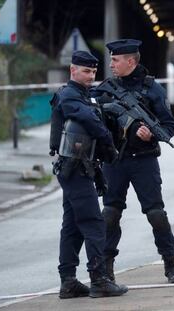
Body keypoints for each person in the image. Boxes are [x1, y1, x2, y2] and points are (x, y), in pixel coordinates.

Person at [92, 39, 174, 284]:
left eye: (115, 60)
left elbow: (170, 126)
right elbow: (91, 115)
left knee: (156, 213)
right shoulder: (105, 88)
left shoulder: (152, 89)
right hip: (114, 160)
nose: (111, 64)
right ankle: (106, 268)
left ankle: (170, 263)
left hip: (144, 160)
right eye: (111, 59)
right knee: (110, 214)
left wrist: (152, 134)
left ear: (131, 61)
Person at [50, 51, 128, 299]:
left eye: (94, 72)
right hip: (75, 168)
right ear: (73, 71)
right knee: (94, 223)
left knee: (72, 225)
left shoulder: (85, 95)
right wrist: (107, 139)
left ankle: (69, 281)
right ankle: (99, 279)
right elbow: (85, 117)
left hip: (82, 167)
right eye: (86, 71)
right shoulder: (69, 95)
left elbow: (95, 112)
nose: (91, 75)